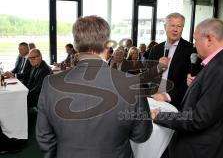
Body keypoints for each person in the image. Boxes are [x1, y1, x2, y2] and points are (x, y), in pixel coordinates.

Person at [36, 15, 153, 158]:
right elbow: (141, 135)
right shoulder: (132, 83)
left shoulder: (50, 83)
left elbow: (44, 137)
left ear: (76, 45)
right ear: (107, 45)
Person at [151, 18, 223, 158]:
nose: (194, 45)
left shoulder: (220, 68)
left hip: (204, 148)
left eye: (196, 40)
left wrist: (160, 116)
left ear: (209, 39)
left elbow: (199, 118)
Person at [148, 13, 196, 111]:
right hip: (153, 100)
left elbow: (190, 82)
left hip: (176, 103)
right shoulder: (155, 49)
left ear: (182, 28)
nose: (175, 29)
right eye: (172, 25)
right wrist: (158, 68)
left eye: (179, 26)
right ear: (165, 27)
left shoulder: (190, 49)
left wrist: (167, 96)